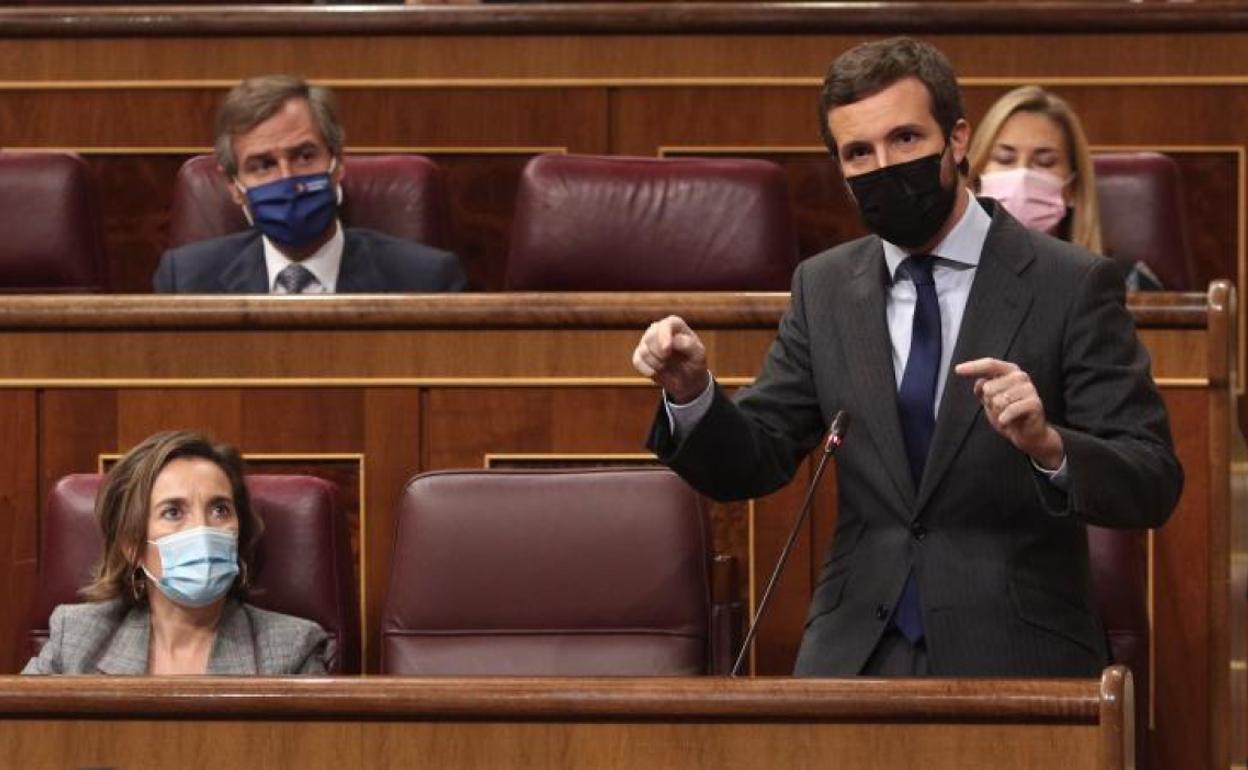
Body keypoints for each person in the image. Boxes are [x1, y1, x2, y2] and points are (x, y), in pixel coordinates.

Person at [632, 37, 1182, 677]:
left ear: (956, 139)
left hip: (1018, 647)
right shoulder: (825, 286)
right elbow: (756, 459)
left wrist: (1048, 445)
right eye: (858, 152)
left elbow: (1151, 481)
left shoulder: (1070, 283)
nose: (884, 165)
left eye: (905, 140)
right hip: (855, 650)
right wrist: (692, 395)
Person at [23, 430, 332, 674]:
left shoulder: (292, 649)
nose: (202, 528)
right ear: (133, 547)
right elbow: (19, 745)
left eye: (220, 509)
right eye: (173, 512)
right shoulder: (77, 639)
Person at [154, 75, 466, 294]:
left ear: (337, 163)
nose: (288, 179)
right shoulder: (186, 281)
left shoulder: (426, 279)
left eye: (304, 156)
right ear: (235, 187)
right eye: (263, 165)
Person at [967, 85, 1163, 290]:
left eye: (1045, 162)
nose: (1022, 175)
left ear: (1073, 188)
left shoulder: (1123, 282)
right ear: (976, 178)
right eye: (1005, 159)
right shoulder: (950, 277)